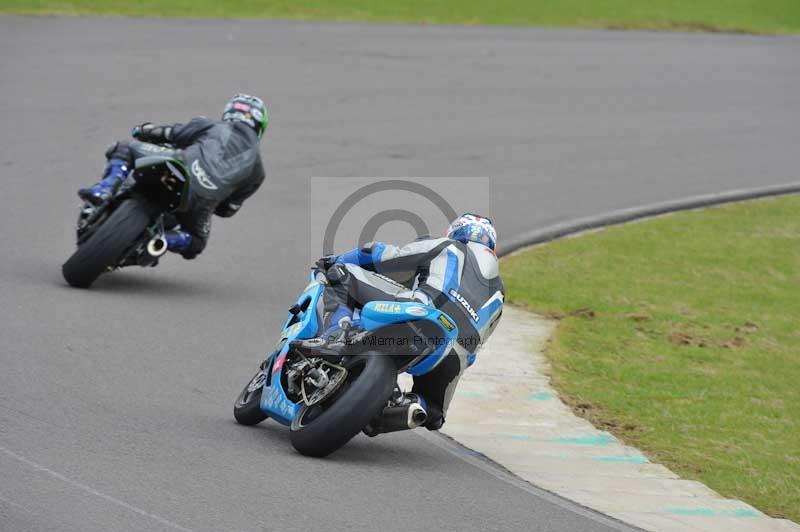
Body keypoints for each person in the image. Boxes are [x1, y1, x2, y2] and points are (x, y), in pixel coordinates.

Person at [306, 214, 504, 433]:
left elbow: (385, 255)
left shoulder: (448, 245)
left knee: (340, 275)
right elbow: (477, 347)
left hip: (421, 313)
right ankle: (399, 410)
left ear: (455, 232)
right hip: (455, 353)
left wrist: (338, 260)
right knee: (434, 412)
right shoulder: (499, 294)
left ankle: (332, 337)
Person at [78, 93, 268, 259]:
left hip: (178, 164)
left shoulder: (211, 125)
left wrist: (143, 130)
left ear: (228, 113)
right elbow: (228, 210)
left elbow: (168, 132)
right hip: (203, 201)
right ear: (260, 127)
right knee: (196, 242)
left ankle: (104, 189)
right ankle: (163, 240)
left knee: (124, 147)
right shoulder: (258, 172)